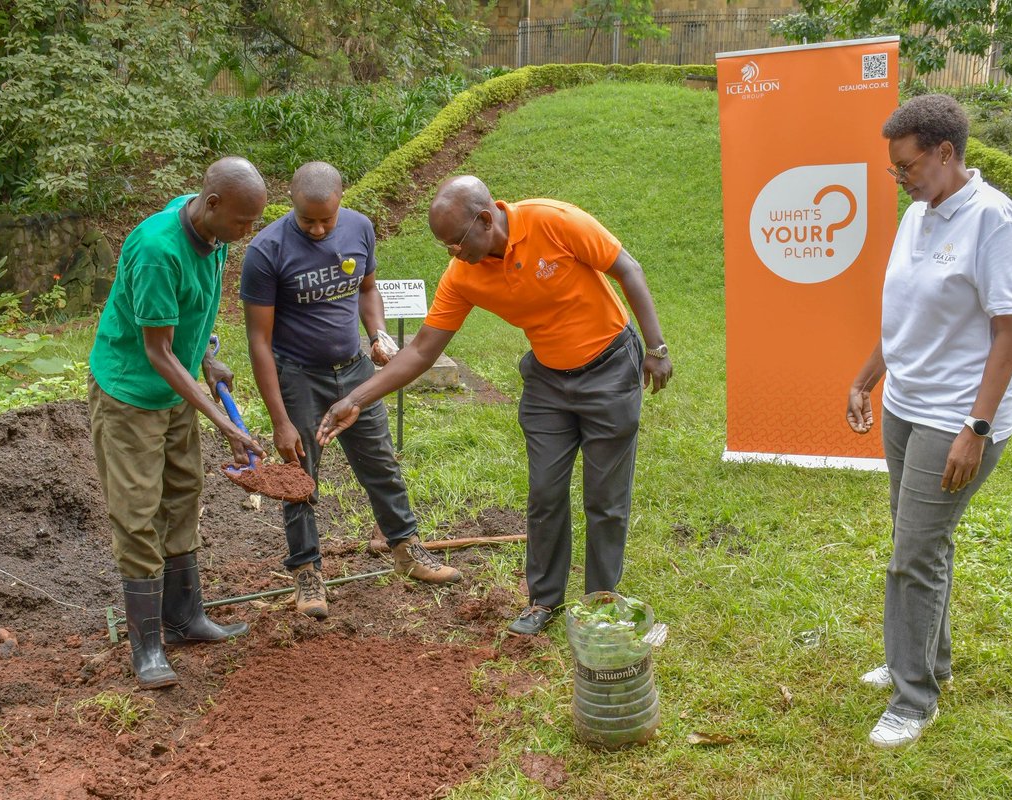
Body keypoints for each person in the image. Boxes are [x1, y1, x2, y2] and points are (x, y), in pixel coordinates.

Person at [316, 175, 673, 635]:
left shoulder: (553, 220)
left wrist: (656, 348)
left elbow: (627, 268)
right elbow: (423, 349)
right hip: (547, 382)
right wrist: (357, 398)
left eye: (456, 242)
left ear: (486, 219)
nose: (452, 254)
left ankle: (602, 602)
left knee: (605, 500)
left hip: (609, 368)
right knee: (545, 492)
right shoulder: (463, 274)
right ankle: (543, 601)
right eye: (444, 246)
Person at [846, 95, 1012, 747]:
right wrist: (867, 378)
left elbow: (1010, 332)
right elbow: (907, 319)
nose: (899, 178)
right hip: (906, 405)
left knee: (913, 554)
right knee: (918, 539)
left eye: (906, 165)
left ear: (946, 153)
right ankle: (926, 659)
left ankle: (914, 697)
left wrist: (975, 430)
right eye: (894, 168)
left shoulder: (994, 222)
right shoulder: (920, 214)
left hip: (957, 416)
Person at [241, 161, 460, 620]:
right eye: (308, 221)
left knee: (380, 461)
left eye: (327, 219)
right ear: (291, 205)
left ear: (342, 199)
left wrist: (378, 332)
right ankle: (306, 572)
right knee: (300, 476)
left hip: (356, 370)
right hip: (299, 376)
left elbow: (367, 290)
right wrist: (280, 420)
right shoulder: (266, 251)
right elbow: (259, 342)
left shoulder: (360, 228)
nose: (319, 229)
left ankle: (406, 548)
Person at [88, 157, 269, 689]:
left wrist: (208, 358)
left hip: (176, 390)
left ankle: (185, 617)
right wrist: (224, 422)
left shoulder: (214, 234)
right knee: (138, 508)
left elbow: (198, 310)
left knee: (184, 490)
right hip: (133, 394)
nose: (246, 233)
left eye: (253, 222)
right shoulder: (155, 250)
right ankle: (146, 648)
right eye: (242, 222)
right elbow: (159, 352)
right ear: (211, 204)